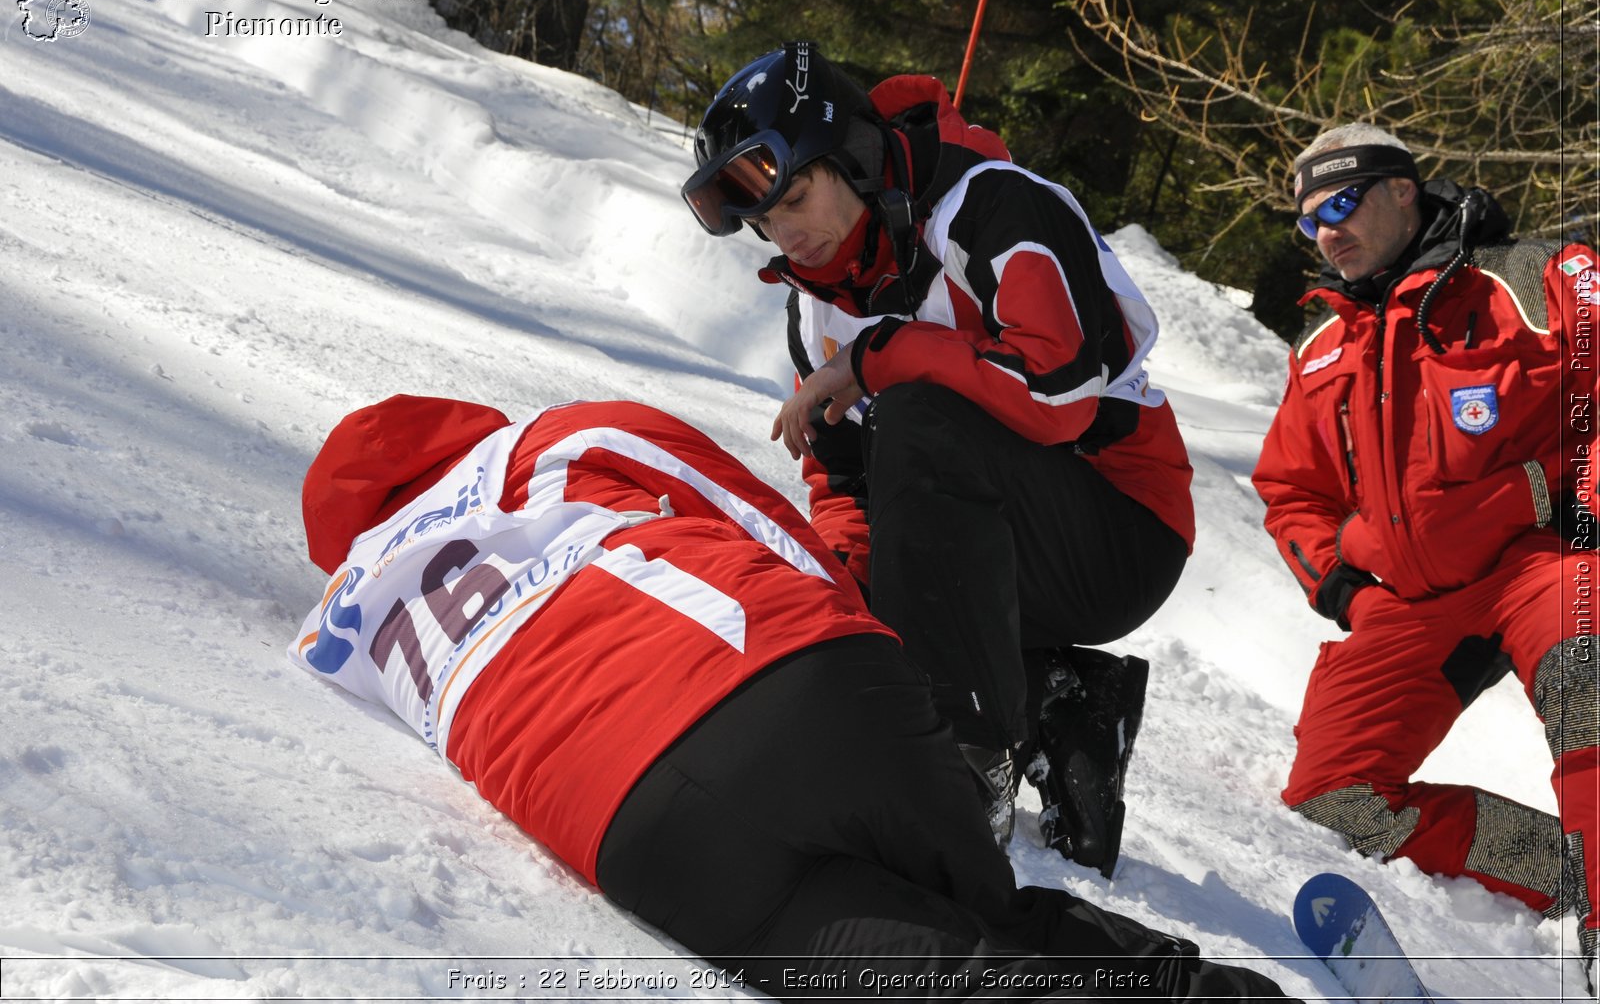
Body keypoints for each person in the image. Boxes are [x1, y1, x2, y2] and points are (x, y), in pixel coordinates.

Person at [287, 393, 1292, 1001]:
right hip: (795, 684)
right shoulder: (548, 441)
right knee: (980, 901)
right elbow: (754, 517)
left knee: (955, 978)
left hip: (640, 831)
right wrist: (864, 643)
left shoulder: (340, 617)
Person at [679, 41, 1195, 875]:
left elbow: (1059, 394)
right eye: (766, 222)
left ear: (848, 155)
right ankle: (1064, 708)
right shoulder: (820, 309)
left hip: (1119, 523)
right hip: (1012, 549)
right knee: (836, 589)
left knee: (921, 415)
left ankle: (968, 761)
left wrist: (885, 350)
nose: (787, 234)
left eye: (798, 197)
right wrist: (849, 597)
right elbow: (844, 482)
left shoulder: (995, 207)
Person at [1252, 121, 1599, 985]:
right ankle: (1566, 873)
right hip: (1411, 601)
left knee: (1588, 686)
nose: (1327, 231)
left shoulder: (1530, 278)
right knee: (1333, 799)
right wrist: (1349, 593)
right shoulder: (1323, 345)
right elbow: (1291, 493)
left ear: (1403, 190)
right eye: (1309, 221)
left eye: (1341, 203)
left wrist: (1583, 509)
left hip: (1538, 555)